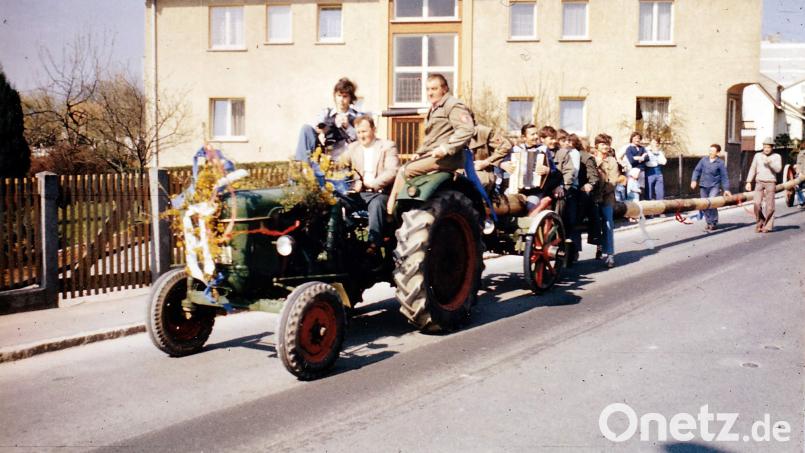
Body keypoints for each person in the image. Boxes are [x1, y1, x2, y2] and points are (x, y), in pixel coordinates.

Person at [386, 74, 475, 214]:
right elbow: (433, 137)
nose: (430, 93)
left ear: (444, 89)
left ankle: (391, 211)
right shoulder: (436, 107)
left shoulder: (452, 105)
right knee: (407, 170)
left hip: (447, 158)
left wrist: (446, 148)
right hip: (435, 155)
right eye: (427, 89)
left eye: (434, 88)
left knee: (405, 171)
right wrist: (419, 153)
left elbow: (467, 129)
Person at [337, 116, 399, 253]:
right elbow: (339, 165)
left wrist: (373, 183)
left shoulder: (387, 146)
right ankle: (345, 238)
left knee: (376, 204)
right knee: (337, 202)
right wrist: (354, 182)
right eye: (358, 132)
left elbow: (392, 171)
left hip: (380, 193)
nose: (361, 136)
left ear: (374, 130)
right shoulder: (353, 148)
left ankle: (373, 244)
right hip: (360, 194)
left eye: (364, 131)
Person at [295, 77, 362, 162]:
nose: (341, 100)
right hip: (323, 156)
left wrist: (348, 127)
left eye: (345, 96)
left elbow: (362, 138)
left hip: (344, 158)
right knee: (306, 128)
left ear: (350, 98)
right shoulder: (326, 112)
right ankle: (301, 167)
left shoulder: (357, 116)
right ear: (335, 96)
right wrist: (322, 132)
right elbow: (316, 126)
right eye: (339, 96)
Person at [500, 124, 560, 216]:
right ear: (524, 137)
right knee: (505, 204)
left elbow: (554, 170)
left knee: (530, 207)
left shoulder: (543, 149)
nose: (536, 137)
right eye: (532, 134)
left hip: (535, 191)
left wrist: (547, 170)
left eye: (536, 134)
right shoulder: (515, 149)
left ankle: (528, 229)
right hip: (516, 189)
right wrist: (503, 165)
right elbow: (502, 165)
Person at [690, 144, 732, 231]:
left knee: (712, 203)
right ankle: (708, 222)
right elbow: (697, 170)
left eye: (713, 151)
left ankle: (714, 222)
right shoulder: (704, 160)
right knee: (704, 205)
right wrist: (694, 180)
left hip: (714, 186)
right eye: (710, 150)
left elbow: (724, 177)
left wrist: (726, 189)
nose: (710, 152)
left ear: (717, 152)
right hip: (703, 186)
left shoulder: (720, 163)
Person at [593, 134, 620, 268]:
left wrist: (602, 194)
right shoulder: (591, 159)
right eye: (603, 144)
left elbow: (613, 181)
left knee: (608, 223)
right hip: (592, 198)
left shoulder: (612, 161)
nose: (606, 147)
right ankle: (598, 245)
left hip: (607, 197)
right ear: (596, 145)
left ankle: (610, 255)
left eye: (607, 144)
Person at [745, 137, 782, 233]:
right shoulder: (757, 155)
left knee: (770, 206)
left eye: (768, 147)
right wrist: (749, 181)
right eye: (765, 147)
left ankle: (768, 226)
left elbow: (778, 170)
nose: (766, 149)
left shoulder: (776, 156)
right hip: (759, 182)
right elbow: (753, 168)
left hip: (770, 182)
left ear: (772, 148)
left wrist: (769, 163)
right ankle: (760, 222)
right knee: (756, 204)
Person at [468, 123, 513, 194]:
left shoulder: (483, 132)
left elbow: (506, 145)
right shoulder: (450, 134)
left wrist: (486, 162)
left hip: (483, 175)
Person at [623, 132, 648, 197]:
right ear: (632, 139)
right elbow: (632, 161)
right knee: (633, 188)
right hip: (633, 171)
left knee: (641, 188)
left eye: (639, 138)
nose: (637, 140)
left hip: (642, 171)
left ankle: (642, 203)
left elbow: (647, 158)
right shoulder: (629, 149)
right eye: (635, 138)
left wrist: (637, 158)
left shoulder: (642, 148)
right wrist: (641, 157)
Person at [644, 137, 667, 201]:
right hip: (649, 174)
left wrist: (656, 161)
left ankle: (660, 209)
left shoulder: (660, 152)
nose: (656, 144)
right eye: (654, 142)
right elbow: (648, 163)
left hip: (659, 174)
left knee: (660, 194)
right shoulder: (646, 150)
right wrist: (657, 161)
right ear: (650, 142)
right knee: (649, 194)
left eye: (657, 143)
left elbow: (664, 162)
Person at [795, 141, 805, 208]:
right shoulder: (801, 154)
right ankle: (802, 201)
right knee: (797, 186)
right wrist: (799, 173)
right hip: (802, 173)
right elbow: (798, 164)